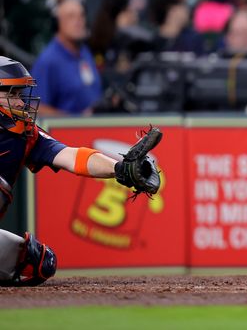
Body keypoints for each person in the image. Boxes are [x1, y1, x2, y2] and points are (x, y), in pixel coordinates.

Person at [0, 56, 162, 286]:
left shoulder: (24, 134)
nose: (20, 102)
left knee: (39, 261)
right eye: (12, 94)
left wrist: (119, 169)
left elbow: (71, 156)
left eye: (19, 94)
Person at [31, 0, 101, 116]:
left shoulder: (84, 51)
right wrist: (73, 121)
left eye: (81, 15)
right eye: (71, 16)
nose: (79, 21)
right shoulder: (48, 61)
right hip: (67, 132)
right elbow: (35, 109)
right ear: (57, 23)